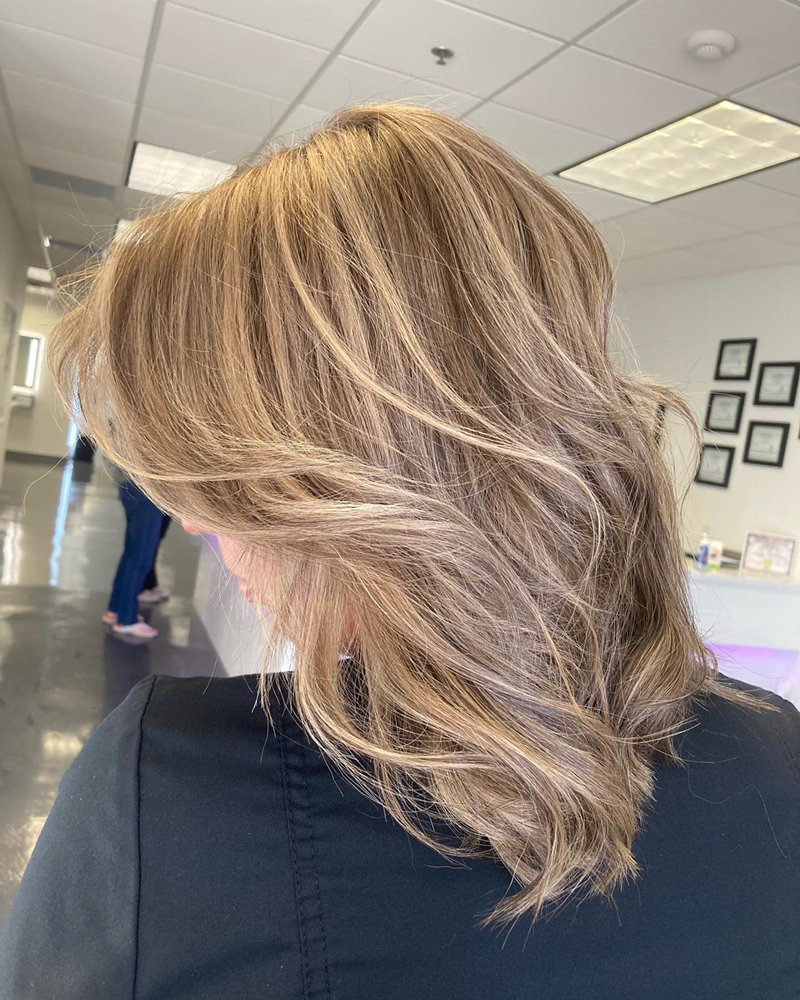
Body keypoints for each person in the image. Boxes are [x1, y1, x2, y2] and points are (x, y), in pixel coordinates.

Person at [2, 105, 798, 998]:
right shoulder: (778, 754)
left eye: (216, 479)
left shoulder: (163, 797)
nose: (192, 521)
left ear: (344, 489)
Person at [101, 479, 171, 638]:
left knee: (132, 552)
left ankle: (116, 609)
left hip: (134, 486)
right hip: (149, 493)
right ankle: (127, 619)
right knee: (140, 558)